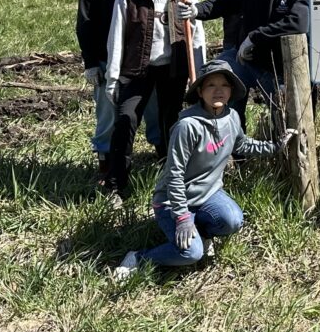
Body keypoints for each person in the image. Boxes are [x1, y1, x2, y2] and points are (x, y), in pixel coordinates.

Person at [112, 60, 293, 280]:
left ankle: (202, 232)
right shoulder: (187, 126)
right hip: (173, 201)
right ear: (200, 91)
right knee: (191, 254)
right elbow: (174, 175)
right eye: (211, 86)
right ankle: (139, 258)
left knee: (233, 220)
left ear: (231, 90)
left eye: (224, 85)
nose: (218, 91)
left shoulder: (232, 117)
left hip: (208, 195)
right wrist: (182, 218)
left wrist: (274, 147)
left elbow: (241, 145)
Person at [103, 0, 207, 199]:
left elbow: (197, 35)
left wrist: (200, 74)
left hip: (173, 70)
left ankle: (171, 175)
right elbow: (117, 36)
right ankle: (116, 185)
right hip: (138, 69)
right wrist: (113, 78)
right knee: (126, 120)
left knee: (171, 123)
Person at [177, 0, 312, 122]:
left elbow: (298, 23)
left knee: (285, 117)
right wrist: (196, 10)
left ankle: (278, 146)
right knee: (217, 75)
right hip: (246, 59)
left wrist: (254, 37)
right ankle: (229, 142)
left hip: (280, 67)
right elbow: (224, 1)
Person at [76, 0, 143, 184]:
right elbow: (85, 22)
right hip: (107, 59)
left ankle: (160, 156)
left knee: (151, 111)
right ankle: (105, 163)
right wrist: (91, 62)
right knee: (107, 113)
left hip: (143, 59)